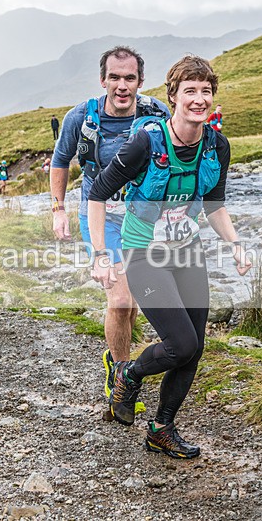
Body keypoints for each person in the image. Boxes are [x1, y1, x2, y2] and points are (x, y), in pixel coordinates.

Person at [88, 55, 251, 459]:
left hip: (188, 252)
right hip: (144, 253)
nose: (199, 99)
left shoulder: (217, 145)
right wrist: (100, 255)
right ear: (173, 96)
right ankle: (129, 372)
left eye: (206, 91)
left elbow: (214, 206)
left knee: (194, 348)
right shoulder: (148, 141)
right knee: (180, 343)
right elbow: (97, 192)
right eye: (190, 91)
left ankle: (162, 428)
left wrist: (235, 243)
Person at [49, 46, 170, 412]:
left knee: (131, 303)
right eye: (114, 78)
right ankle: (121, 379)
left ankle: (117, 362)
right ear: (103, 80)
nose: (122, 85)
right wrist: (59, 209)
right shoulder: (80, 118)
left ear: (140, 81)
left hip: (141, 217)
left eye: (129, 78)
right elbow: (60, 161)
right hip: (98, 214)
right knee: (119, 301)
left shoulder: (156, 113)